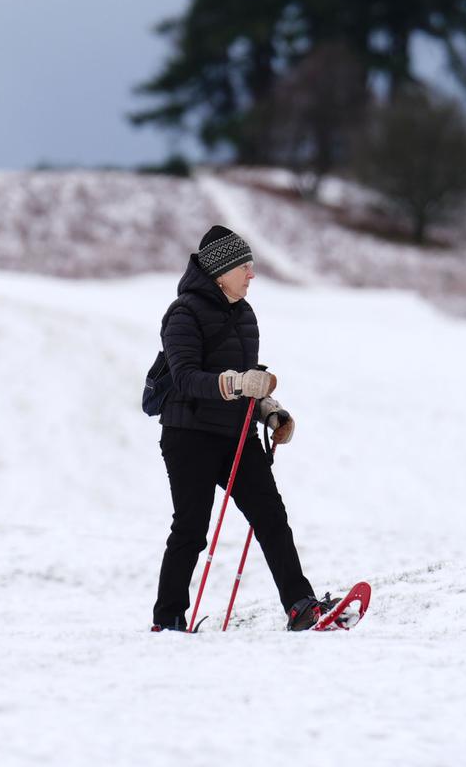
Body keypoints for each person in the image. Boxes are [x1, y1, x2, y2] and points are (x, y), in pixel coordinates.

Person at [150, 225, 325, 632]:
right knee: (192, 529)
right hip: (188, 434)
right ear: (221, 271)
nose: (251, 274)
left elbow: (250, 379)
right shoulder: (183, 313)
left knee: (271, 518)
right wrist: (235, 383)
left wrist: (269, 411)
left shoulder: (245, 315)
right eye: (245, 266)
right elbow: (186, 377)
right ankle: (168, 618)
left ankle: (301, 605)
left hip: (236, 435)